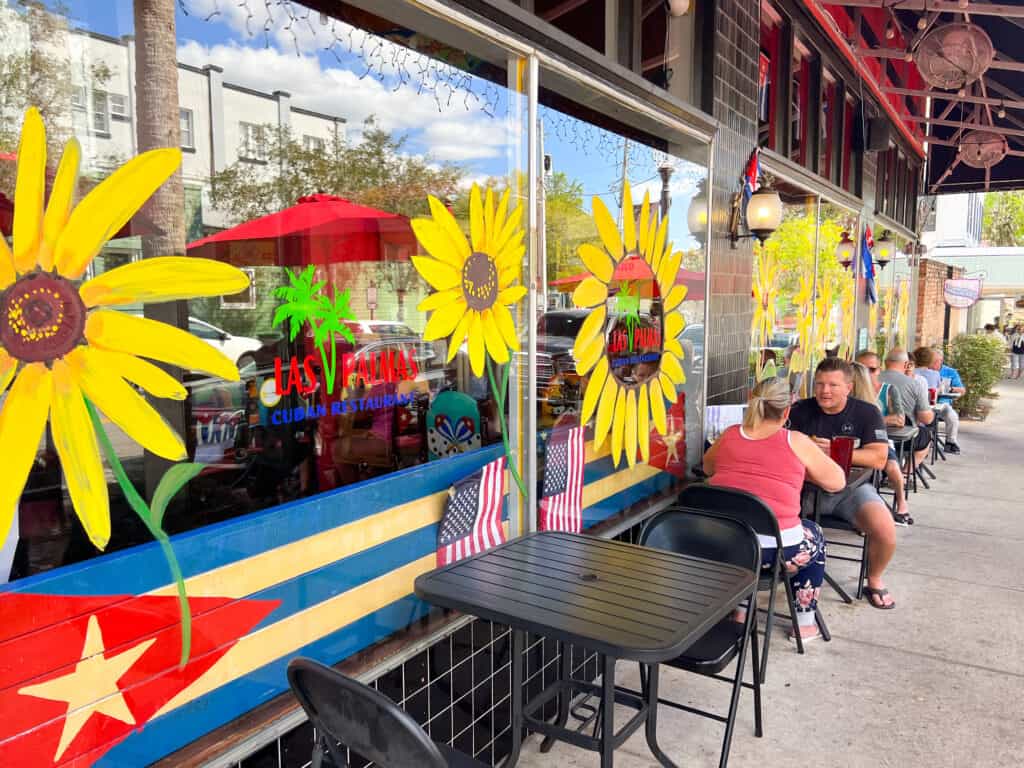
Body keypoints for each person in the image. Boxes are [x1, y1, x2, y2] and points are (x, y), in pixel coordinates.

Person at [703, 378, 845, 639]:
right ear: (787, 410)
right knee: (815, 535)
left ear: (751, 399)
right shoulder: (796, 441)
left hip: (724, 546)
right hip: (776, 553)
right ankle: (803, 622)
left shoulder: (729, 435)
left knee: (748, 530)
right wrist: (802, 471)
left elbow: (708, 468)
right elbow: (837, 482)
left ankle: (742, 609)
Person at [787, 358, 896, 610]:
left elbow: (879, 458)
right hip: (802, 491)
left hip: (852, 491)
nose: (825, 391)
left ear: (848, 387)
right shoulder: (799, 410)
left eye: (833, 385)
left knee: (885, 531)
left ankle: (875, 579)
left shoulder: (867, 412)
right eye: (820, 384)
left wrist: (833, 451)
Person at [855, 352, 912, 525]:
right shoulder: (849, 390)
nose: (867, 374)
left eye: (871, 369)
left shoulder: (888, 390)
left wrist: (872, 422)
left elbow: (900, 419)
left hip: (880, 440)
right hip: (856, 442)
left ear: (879, 370)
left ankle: (902, 503)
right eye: (862, 369)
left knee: (893, 466)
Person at [880, 348, 933, 468]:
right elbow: (926, 419)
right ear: (906, 364)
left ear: (885, 362)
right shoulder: (914, 384)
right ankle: (905, 474)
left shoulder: (871, 380)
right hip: (904, 440)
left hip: (874, 435)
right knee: (926, 436)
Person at [924, 347, 963, 453]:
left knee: (952, 417)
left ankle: (950, 442)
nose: (933, 364)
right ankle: (925, 441)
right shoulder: (925, 371)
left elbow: (962, 390)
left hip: (942, 404)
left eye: (936, 361)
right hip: (925, 404)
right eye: (931, 361)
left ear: (941, 361)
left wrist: (949, 388)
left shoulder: (950, 372)